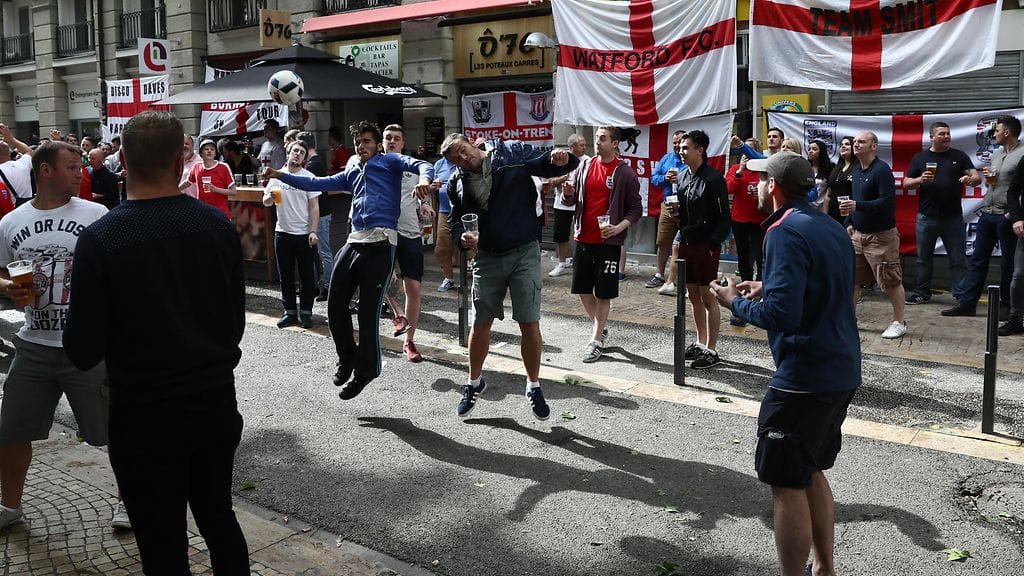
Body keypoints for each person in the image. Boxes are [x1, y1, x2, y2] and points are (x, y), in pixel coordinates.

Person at [63, 111, 250, 574]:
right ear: (180, 160)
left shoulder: (101, 238)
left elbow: (83, 349)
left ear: (122, 160)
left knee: (160, 537)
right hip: (212, 401)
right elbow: (234, 323)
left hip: (142, 410)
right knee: (218, 516)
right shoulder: (216, 226)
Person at [711, 151, 860, 576]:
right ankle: (824, 567)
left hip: (804, 375)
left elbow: (782, 316)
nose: (755, 185)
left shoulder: (781, 231)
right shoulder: (828, 225)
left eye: (760, 179)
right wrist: (767, 285)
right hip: (840, 367)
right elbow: (822, 286)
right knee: (808, 468)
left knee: (786, 481)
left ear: (773, 186)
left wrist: (734, 302)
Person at [0, 141, 126, 532]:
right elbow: (2, 271)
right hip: (33, 343)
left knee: (114, 431)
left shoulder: (97, 214)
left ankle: (129, 501)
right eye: (72, 167)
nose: (81, 173)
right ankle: (9, 506)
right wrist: (8, 288)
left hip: (86, 347)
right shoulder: (11, 223)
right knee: (10, 430)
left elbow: (120, 272)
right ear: (45, 171)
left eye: (80, 167)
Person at [264, 121, 433, 398]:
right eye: (358, 142)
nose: (362, 146)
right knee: (334, 305)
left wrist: (425, 182)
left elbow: (422, 166)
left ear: (377, 145)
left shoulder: (389, 161)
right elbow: (315, 182)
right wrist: (279, 175)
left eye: (367, 141)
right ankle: (348, 357)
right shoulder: (352, 170)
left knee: (368, 315)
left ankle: (367, 369)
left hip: (381, 242)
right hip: (354, 241)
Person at [442, 133, 578, 420]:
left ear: (471, 143)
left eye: (463, 151)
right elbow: (456, 218)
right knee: (481, 323)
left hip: (523, 250)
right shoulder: (457, 182)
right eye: (456, 159)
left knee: (528, 321)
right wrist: (462, 238)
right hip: (488, 255)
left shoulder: (511, 154)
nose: (463, 160)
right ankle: (474, 382)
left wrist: (563, 158)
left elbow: (548, 163)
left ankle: (533, 385)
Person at [567, 127, 642, 363]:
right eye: (596, 138)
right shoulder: (585, 166)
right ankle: (600, 328)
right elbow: (572, 198)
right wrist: (568, 192)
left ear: (615, 143)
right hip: (582, 237)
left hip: (608, 241)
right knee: (581, 289)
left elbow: (636, 209)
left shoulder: (624, 173)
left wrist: (619, 228)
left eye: (602, 138)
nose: (597, 142)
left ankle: (596, 340)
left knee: (604, 293)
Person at [944, 115, 1024, 318]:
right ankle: (968, 303)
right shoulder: (997, 153)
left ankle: (1006, 306)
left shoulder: (1023, 154)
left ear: (1007, 132)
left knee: (1008, 263)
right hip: (988, 214)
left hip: (1007, 216)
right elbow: (995, 183)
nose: (993, 134)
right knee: (978, 259)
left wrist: (1013, 214)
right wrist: (990, 180)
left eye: (996, 131)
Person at [669, 130, 731, 369]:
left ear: (700, 150)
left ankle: (712, 349)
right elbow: (684, 212)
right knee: (692, 294)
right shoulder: (683, 176)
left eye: (686, 148)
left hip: (705, 245)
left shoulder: (714, 179)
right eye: (680, 148)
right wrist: (677, 214)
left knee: (708, 296)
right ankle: (700, 341)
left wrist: (712, 244)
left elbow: (724, 218)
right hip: (686, 241)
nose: (681, 152)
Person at [902, 122, 979, 306]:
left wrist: (971, 180)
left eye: (948, 133)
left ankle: (960, 294)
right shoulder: (920, 158)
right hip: (926, 216)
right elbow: (905, 183)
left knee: (958, 258)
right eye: (942, 134)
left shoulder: (959, 156)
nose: (946, 136)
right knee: (923, 258)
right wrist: (920, 179)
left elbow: (976, 177)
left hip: (953, 217)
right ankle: (922, 292)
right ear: (932, 137)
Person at [842, 131, 907, 338]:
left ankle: (899, 322)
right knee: (853, 279)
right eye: (854, 141)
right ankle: (849, 319)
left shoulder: (882, 170)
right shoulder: (856, 169)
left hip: (881, 236)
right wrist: (850, 220)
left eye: (861, 141)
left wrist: (857, 206)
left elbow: (886, 202)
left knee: (890, 280)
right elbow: (855, 198)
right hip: (858, 235)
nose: (856, 144)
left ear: (873, 146)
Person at [380, 124, 434, 362]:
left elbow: (423, 191)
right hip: (382, 232)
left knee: (413, 288)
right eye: (388, 137)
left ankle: (409, 341)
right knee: (383, 280)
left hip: (411, 232)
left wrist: (425, 203)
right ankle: (396, 316)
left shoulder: (412, 168)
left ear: (403, 143)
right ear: (382, 141)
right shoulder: (374, 165)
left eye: (397, 138)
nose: (392, 141)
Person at [264, 140, 319, 329]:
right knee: (285, 276)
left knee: (306, 276)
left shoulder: (308, 177)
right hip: (282, 233)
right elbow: (266, 202)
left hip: (304, 234)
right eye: (294, 151)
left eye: (301, 153)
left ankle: (306, 312)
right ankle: (289, 311)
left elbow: (314, 207)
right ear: (288, 153)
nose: (297, 154)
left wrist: (313, 231)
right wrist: (270, 196)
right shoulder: (277, 176)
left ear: (304, 158)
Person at [646, 130, 687, 289]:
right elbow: (653, 179)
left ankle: (683, 277)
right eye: (675, 142)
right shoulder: (666, 158)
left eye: (680, 142)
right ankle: (659, 275)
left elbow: (698, 180)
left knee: (684, 244)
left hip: (685, 206)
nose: (677, 145)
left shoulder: (690, 159)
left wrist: (681, 178)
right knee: (663, 242)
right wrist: (664, 178)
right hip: (667, 205)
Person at [548, 133, 590, 278]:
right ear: (572, 147)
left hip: (580, 203)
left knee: (582, 232)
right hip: (561, 203)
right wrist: (565, 177)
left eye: (585, 144)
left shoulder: (588, 162)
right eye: (581, 145)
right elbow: (550, 181)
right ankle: (561, 263)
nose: (584, 147)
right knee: (561, 235)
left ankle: (581, 262)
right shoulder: (560, 160)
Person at [726, 141, 766, 285]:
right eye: (743, 150)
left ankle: (761, 285)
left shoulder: (763, 170)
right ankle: (746, 284)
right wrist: (740, 171)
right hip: (740, 219)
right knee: (743, 255)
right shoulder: (736, 168)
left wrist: (761, 193)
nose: (746, 154)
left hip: (758, 219)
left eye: (750, 150)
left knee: (760, 255)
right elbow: (729, 188)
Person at [182, 138, 236, 218]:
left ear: (215, 154)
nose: (209, 151)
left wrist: (215, 189)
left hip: (221, 214)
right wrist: (174, 189)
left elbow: (233, 191)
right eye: (206, 149)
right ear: (201, 154)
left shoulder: (223, 167)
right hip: (203, 214)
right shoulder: (197, 167)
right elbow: (188, 182)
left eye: (212, 149)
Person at [432, 154, 458, 291]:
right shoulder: (439, 165)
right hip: (445, 211)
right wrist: (433, 186)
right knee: (442, 247)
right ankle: (448, 278)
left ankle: (477, 281)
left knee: (472, 247)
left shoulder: (463, 160)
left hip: (464, 210)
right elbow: (431, 185)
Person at [822, 136, 855, 223]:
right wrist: (824, 216)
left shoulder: (859, 168)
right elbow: (828, 195)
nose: (843, 146)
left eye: (847, 144)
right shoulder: (835, 169)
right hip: (832, 217)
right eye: (841, 145)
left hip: (851, 218)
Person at [0, 123, 34, 204]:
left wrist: (10, 138)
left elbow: (29, 152)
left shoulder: (21, 164)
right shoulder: (22, 165)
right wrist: (11, 139)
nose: (1, 141)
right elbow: (28, 151)